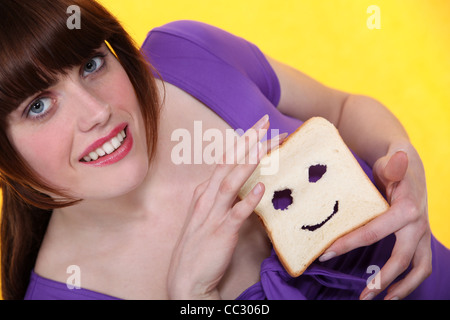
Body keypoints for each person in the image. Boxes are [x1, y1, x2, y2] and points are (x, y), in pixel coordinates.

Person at [0, 0, 448, 300]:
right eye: (38, 106)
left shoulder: (187, 53)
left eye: (91, 64)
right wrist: (195, 300)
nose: (96, 112)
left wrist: (404, 164)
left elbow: (343, 107)